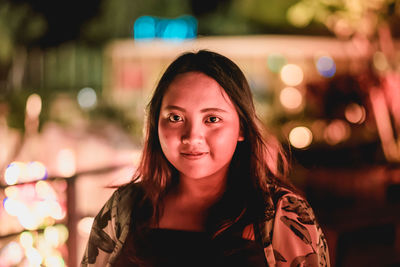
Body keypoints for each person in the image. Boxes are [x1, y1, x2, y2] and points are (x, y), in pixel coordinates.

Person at [81, 50, 330, 267]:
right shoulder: (124, 209)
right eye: (175, 118)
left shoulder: (281, 216)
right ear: (156, 124)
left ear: (242, 128)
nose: (192, 136)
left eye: (212, 119)